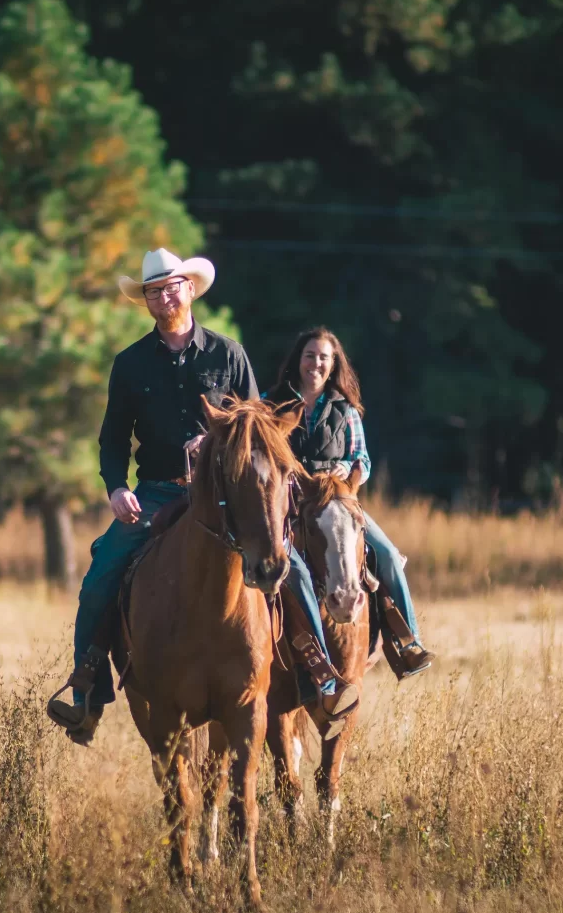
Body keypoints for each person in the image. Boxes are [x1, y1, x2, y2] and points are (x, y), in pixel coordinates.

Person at [48, 249, 357, 744]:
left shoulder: (228, 354)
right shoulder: (129, 364)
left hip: (227, 494)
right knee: (103, 569)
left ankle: (319, 674)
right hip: (155, 491)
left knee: (289, 563)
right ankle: (87, 689)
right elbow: (112, 439)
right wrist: (116, 488)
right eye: (153, 291)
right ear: (146, 301)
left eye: (172, 286)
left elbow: (258, 424)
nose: (163, 296)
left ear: (190, 290)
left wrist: (214, 441)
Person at [265, 326, 437, 679]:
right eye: (310, 355)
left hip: (338, 504)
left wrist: (348, 467)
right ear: (298, 360)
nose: (316, 363)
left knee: (386, 554)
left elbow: (364, 461)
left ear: (333, 364)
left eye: (323, 358)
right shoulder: (272, 403)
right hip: (290, 505)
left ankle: (408, 641)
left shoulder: (346, 410)